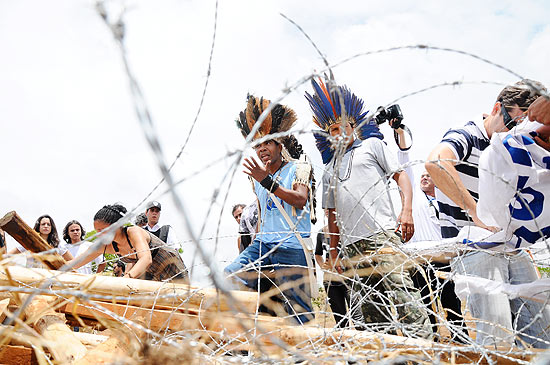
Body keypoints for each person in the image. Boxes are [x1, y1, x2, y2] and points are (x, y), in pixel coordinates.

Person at [426, 79, 549, 348]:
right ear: (497, 108)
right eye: (514, 122)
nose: (517, 130)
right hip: (475, 249)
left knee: (543, 328)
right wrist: (474, 210)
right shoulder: (468, 135)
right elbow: (436, 161)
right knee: (498, 335)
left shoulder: (515, 145)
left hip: (510, 248)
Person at [305, 78, 431, 338]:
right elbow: (331, 216)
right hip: (352, 248)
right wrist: (335, 251)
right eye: (333, 131)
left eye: (344, 127)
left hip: (382, 237)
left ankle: (425, 354)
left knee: (406, 302)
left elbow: (401, 176)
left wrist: (406, 212)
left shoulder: (372, 147)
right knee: (374, 317)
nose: (339, 134)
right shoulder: (329, 171)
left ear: (354, 127)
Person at [224, 94, 316, 324]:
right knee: (231, 277)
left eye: (267, 143)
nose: (262, 149)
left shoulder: (299, 167)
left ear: (279, 144)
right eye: (257, 145)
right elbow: (263, 213)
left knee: (299, 311)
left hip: (292, 245)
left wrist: (268, 181)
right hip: (262, 245)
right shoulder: (255, 178)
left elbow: (300, 199)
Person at [69, 204, 189, 283]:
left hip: (174, 270)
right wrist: (55, 265)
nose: (99, 235)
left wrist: (125, 280)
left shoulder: (134, 232)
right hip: (152, 276)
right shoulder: (105, 245)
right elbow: (75, 262)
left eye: (103, 230)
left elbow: (146, 259)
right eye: (97, 231)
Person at [315, 211, 350, 328]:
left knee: (357, 313)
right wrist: (323, 266)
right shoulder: (321, 233)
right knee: (340, 317)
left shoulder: (348, 229)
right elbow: (317, 254)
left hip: (349, 278)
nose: (327, 211)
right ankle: (345, 343)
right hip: (331, 280)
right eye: (325, 209)